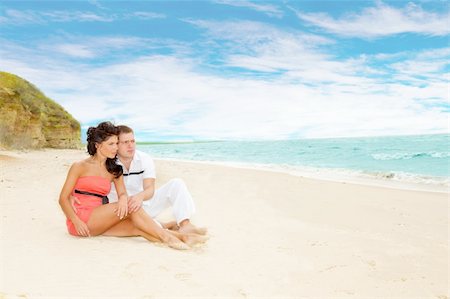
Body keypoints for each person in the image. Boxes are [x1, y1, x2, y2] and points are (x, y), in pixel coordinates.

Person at [59, 121, 206, 250]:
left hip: (99, 221)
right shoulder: (79, 166)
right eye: (111, 144)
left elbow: (122, 193)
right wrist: (75, 220)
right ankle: (169, 238)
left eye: (116, 143)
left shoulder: (114, 169)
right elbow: (63, 198)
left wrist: (123, 199)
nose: (115, 148)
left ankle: (184, 238)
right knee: (131, 208)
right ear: (97, 145)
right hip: (81, 220)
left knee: (139, 228)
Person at [106, 125, 206, 235]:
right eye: (125, 142)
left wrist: (140, 196)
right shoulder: (108, 162)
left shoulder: (144, 159)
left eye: (132, 141)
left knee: (177, 184)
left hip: (143, 205)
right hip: (120, 211)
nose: (130, 145)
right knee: (147, 228)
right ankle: (166, 225)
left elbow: (150, 189)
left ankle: (185, 225)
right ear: (116, 144)